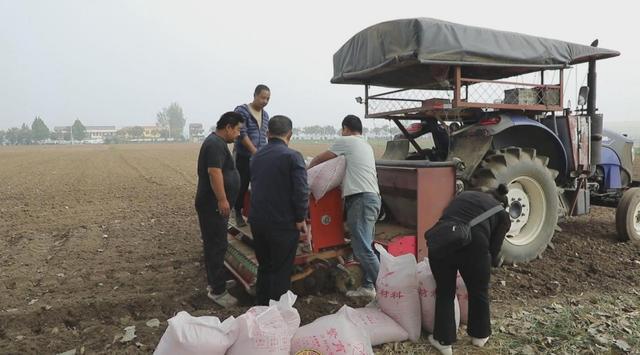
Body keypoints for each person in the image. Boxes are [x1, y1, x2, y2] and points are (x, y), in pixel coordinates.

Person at [427, 185, 511, 355]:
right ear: (502, 203)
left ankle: (443, 342)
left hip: (443, 243)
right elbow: (494, 251)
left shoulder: (464, 196)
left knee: (445, 292)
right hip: (476, 248)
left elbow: (446, 218)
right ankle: (480, 336)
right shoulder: (502, 214)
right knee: (479, 291)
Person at [308, 115, 380, 299]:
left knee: (362, 248)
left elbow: (319, 159)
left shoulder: (347, 141)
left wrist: (305, 173)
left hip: (361, 199)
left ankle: (386, 291)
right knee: (367, 247)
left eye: (343, 130)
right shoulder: (366, 145)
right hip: (372, 198)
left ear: (346, 129)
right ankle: (368, 287)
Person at [249, 115, 309, 305]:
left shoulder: (256, 156)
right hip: (282, 223)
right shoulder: (292, 157)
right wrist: (301, 218)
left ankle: (260, 308)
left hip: (258, 221)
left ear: (267, 134)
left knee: (265, 267)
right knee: (281, 271)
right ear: (289, 135)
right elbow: (301, 191)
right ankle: (276, 316)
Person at [194, 111, 244, 308]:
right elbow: (214, 173)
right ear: (229, 127)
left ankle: (216, 281)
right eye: (238, 130)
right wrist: (222, 200)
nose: (239, 134)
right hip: (212, 205)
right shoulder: (215, 144)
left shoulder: (217, 143)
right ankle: (218, 291)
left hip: (212, 204)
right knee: (216, 245)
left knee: (215, 244)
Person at [233, 84, 271, 226]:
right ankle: (237, 212)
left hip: (259, 158)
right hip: (244, 156)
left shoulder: (266, 115)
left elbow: (265, 136)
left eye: (268, 99)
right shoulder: (242, 111)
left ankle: (256, 215)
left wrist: (264, 154)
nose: (265, 101)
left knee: (258, 187)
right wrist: (255, 152)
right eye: (262, 98)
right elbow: (242, 134)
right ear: (254, 95)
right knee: (241, 185)